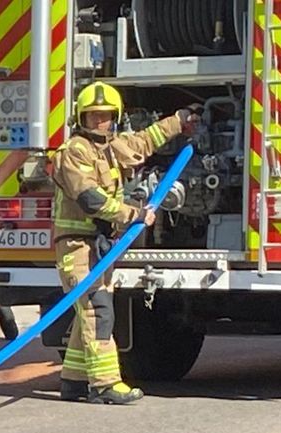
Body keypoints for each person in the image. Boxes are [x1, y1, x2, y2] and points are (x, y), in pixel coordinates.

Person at [52, 83, 197, 404]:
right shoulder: (74, 152)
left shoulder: (110, 147)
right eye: (93, 117)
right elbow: (90, 199)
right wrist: (134, 214)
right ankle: (104, 385)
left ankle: (74, 381)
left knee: (87, 311)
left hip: (98, 246)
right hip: (76, 247)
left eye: (105, 116)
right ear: (81, 118)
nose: (100, 122)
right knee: (97, 312)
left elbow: (143, 142)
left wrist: (179, 121)